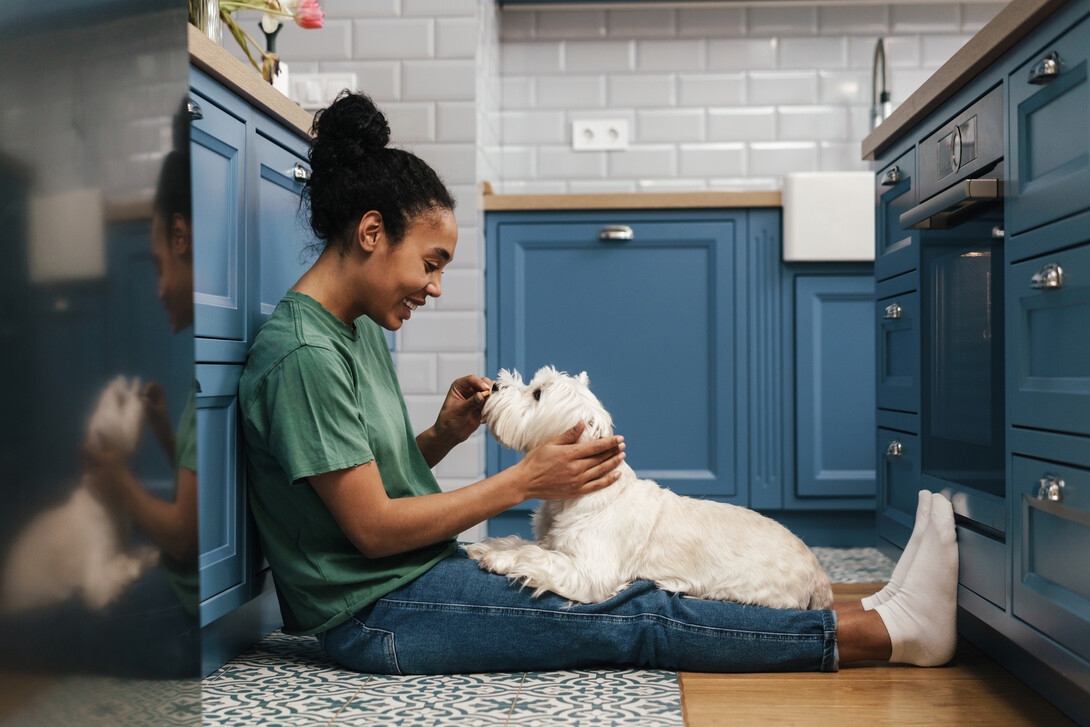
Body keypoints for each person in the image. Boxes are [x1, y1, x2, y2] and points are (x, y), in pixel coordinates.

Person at [238, 90, 959, 675]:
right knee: (635, 615)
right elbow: (368, 530)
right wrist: (525, 481)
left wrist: (436, 437)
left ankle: (880, 607)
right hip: (377, 613)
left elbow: (357, 486)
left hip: (409, 578)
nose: (432, 286)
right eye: (430, 262)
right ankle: (883, 635)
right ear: (370, 232)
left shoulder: (356, 326)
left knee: (618, 590)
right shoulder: (304, 355)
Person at [84, 148, 199, 613]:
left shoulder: (206, 385)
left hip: (183, 603)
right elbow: (203, 490)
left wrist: (118, 482)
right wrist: (165, 432)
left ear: (180, 237)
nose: (158, 289)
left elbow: (182, 538)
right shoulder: (219, 362)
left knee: (35, 628)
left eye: (158, 266)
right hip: (203, 595)